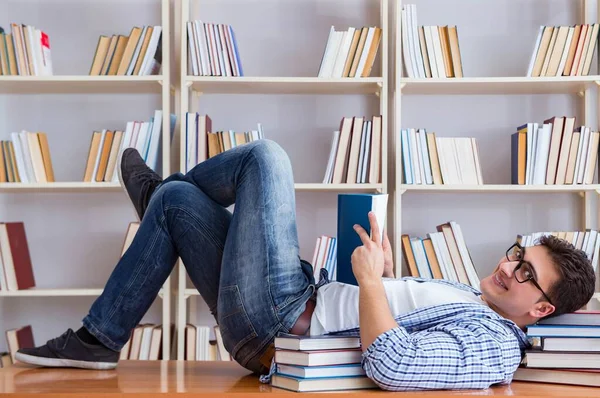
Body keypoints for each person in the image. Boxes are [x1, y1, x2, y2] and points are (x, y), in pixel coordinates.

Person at [15, 140, 596, 392]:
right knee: (178, 206)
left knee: (268, 159)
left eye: (526, 273)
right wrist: (381, 276)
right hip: (294, 300)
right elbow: (381, 315)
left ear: (542, 308)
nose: (508, 267)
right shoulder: (467, 295)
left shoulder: (495, 344)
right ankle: (98, 338)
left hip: (285, 323)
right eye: (518, 255)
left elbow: (394, 364)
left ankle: (159, 195)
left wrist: (371, 281)